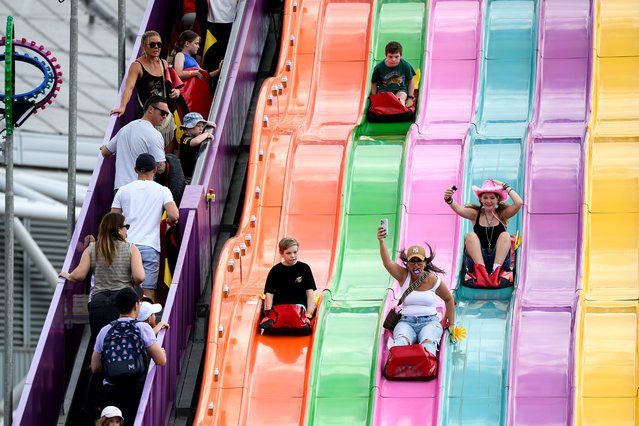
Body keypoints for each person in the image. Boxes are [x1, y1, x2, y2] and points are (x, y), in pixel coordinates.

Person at [59, 212, 145, 339]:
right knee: (121, 341)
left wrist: (68, 275)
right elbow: (140, 277)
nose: (127, 230)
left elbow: (79, 275)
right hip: (122, 304)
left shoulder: (92, 249)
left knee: (100, 344)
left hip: (98, 303)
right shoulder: (131, 248)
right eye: (126, 226)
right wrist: (132, 281)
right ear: (119, 230)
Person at [91, 287, 167, 426]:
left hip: (111, 389)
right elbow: (160, 360)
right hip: (135, 388)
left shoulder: (105, 330)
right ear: (136, 306)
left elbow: (95, 367)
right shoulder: (142, 328)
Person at [377, 227, 456, 355]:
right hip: (406, 322)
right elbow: (387, 262)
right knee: (400, 344)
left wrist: (450, 323)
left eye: (419, 261)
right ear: (407, 264)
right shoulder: (403, 276)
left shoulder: (433, 280)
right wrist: (381, 241)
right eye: (412, 262)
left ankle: (426, 366)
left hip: (429, 322)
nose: (416, 265)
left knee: (427, 346)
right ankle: (399, 367)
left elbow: (449, 299)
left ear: (425, 262)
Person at [112, 154, 179, 302]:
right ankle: (147, 323)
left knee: (124, 290)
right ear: (155, 170)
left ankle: (126, 321)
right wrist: (167, 219)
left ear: (135, 169)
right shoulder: (163, 190)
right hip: (150, 246)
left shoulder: (123, 191)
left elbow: (113, 220)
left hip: (126, 246)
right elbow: (174, 215)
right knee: (148, 291)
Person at [443, 179, 523, 287]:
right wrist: (449, 199)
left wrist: (504, 186)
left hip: (498, 259)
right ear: (480, 199)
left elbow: (519, 203)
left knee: (505, 235)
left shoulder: (502, 214)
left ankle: (495, 274)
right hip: (479, 260)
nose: (488, 201)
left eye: (492, 198)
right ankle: (482, 275)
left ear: (497, 199)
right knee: (471, 236)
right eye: (485, 197)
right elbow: (458, 209)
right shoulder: (475, 214)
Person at [101, 95, 168, 191]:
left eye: (167, 114)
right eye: (163, 113)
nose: (165, 117)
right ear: (150, 109)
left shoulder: (125, 129)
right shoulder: (155, 135)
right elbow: (160, 168)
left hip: (120, 189)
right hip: (142, 189)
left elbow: (105, 152)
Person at [111, 31, 180, 117]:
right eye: (152, 44)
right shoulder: (137, 66)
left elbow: (171, 85)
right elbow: (129, 88)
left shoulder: (164, 63)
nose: (156, 47)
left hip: (164, 114)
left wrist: (177, 91)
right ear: (143, 47)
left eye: (159, 44)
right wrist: (122, 107)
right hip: (146, 114)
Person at [263, 237, 317, 319]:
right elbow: (269, 293)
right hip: (280, 306)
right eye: (288, 253)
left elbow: (309, 291)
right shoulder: (276, 270)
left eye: (295, 252)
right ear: (281, 253)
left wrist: (309, 312)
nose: (293, 256)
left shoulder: (304, 268)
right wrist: (269, 312)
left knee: (297, 317)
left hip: (298, 306)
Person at [371, 41, 416, 108]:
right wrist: (374, 97)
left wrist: (410, 97)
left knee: (401, 97)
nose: (393, 60)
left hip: (400, 89)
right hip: (385, 90)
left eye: (396, 57)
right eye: (390, 57)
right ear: (386, 55)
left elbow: (411, 81)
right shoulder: (379, 67)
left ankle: (401, 111)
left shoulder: (405, 65)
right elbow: (374, 82)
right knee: (384, 103)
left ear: (401, 55)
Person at [179, 112, 216, 182]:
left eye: (202, 126)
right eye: (198, 126)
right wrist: (207, 134)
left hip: (194, 172)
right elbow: (194, 142)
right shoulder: (185, 138)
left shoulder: (195, 134)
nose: (201, 128)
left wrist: (206, 123)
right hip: (187, 176)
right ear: (188, 127)